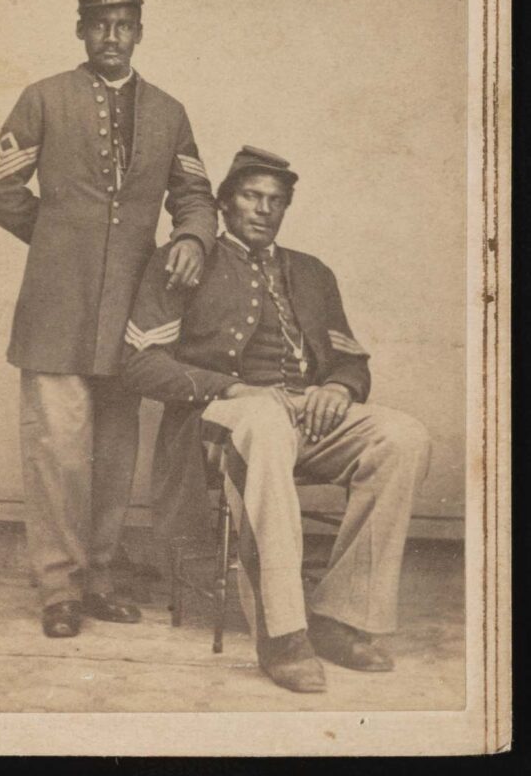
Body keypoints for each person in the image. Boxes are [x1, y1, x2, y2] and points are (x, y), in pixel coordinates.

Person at [121, 146, 431, 693]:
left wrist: (337, 386)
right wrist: (235, 387)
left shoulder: (312, 272)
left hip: (304, 419)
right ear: (223, 201)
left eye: (275, 201)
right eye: (250, 196)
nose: (263, 210)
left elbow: (349, 359)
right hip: (219, 419)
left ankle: (341, 618)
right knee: (263, 423)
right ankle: (284, 634)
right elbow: (140, 364)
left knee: (403, 436)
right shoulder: (187, 258)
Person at [0, 0, 216, 638]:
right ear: (81, 31)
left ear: (141, 31)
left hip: (133, 315)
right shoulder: (44, 98)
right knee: (58, 450)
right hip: (57, 308)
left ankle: (101, 576)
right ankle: (58, 587)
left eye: (123, 24)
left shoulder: (169, 111)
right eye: (99, 24)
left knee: (113, 450)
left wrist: (193, 237)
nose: (111, 36)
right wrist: (56, 240)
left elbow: (197, 195)